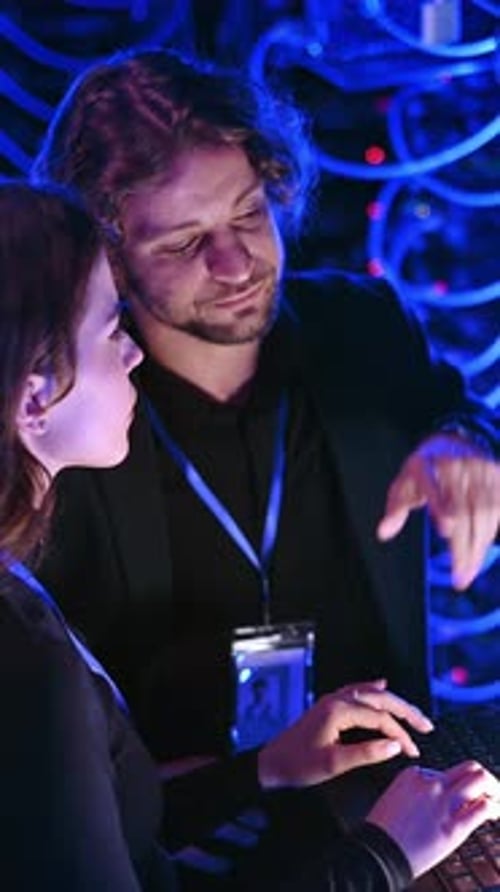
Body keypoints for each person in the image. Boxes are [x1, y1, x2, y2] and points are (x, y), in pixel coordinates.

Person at [32, 48, 500, 885]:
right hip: (186, 845)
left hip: (393, 809)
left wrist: (471, 443)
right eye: (184, 242)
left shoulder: (359, 323)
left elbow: (459, 409)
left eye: (249, 214)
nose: (238, 263)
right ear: (107, 255)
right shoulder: (79, 419)